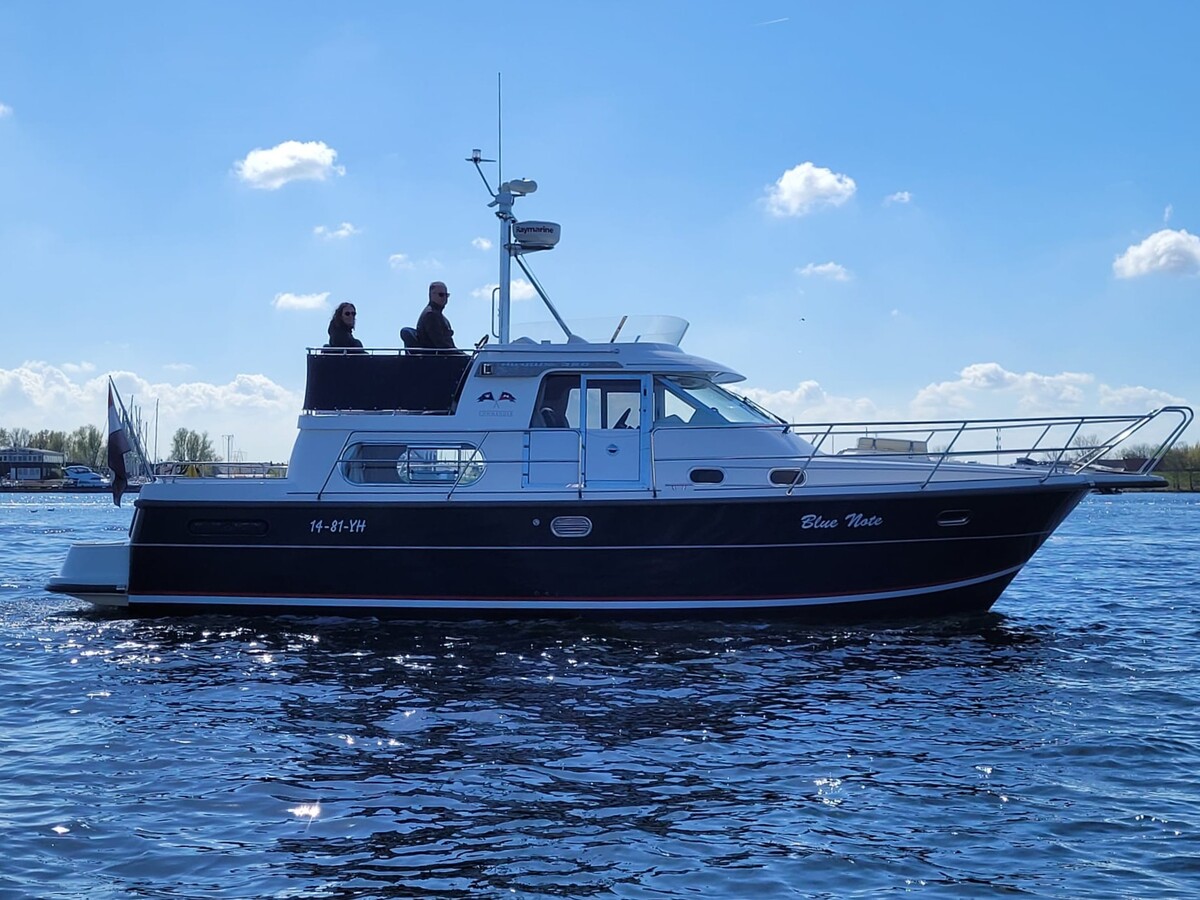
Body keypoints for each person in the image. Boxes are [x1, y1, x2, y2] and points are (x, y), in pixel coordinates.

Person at [415, 281, 457, 350]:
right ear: (432, 295)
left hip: (444, 354)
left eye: (447, 295)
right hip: (437, 355)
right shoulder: (431, 315)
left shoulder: (440, 316)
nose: (444, 298)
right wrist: (461, 354)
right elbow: (441, 345)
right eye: (441, 294)